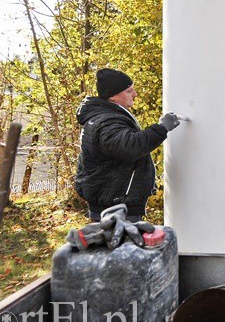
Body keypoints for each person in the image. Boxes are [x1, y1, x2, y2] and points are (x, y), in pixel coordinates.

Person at [74, 68, 181, 222]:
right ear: (112, 96)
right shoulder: (107, 122)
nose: (135, 94)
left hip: (113, 205)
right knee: (120, 246)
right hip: (115, 209)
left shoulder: (104, 116)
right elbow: (131, 147)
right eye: (129, 91)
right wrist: (162, 128)